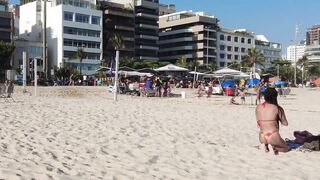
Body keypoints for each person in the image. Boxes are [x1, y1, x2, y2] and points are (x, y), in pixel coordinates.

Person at [256, 87, 289, 154]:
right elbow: (285, 123)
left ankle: (265, 145)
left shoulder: (258, 107)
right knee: (285, 148)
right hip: (273, 135)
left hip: (262, 136)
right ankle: (272, 147)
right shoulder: (277, 108)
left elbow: (258, 124)